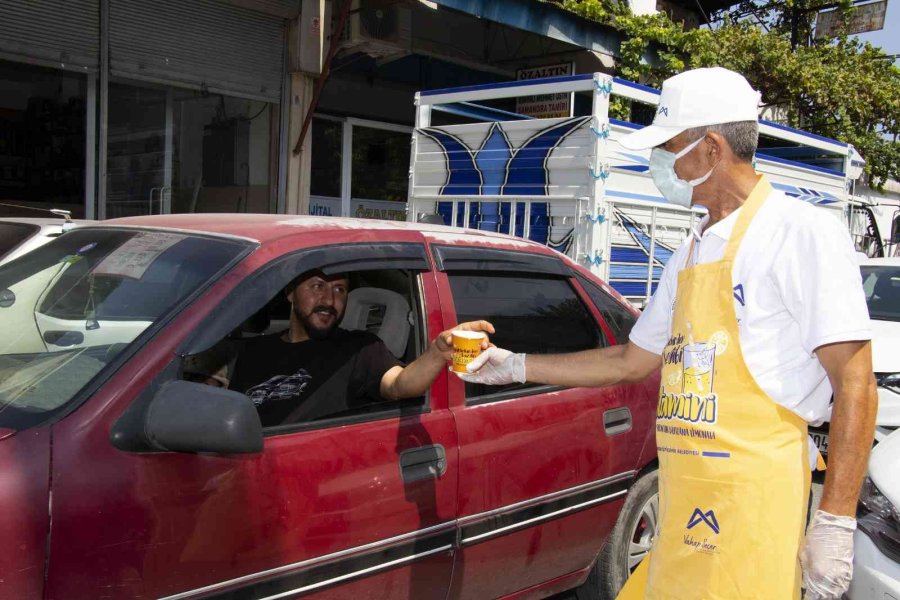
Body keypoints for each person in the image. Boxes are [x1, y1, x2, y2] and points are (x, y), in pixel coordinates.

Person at [462, 67, 878, 600]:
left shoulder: (799, 233)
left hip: (752, 503)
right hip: (683, 497)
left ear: (710, 149)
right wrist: (515, 365)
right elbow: (629, 362)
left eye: (670, 147)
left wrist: (836, 520)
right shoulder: (690, 251)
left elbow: (856, 382)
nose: (661, 163)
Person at [230, 269, 491, 426]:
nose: (329, 300)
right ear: (290, 293)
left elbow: (400, 385)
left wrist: (436, 353)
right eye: (318, 286)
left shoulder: (358, 348)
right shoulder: (254, 351)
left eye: (339, 289)